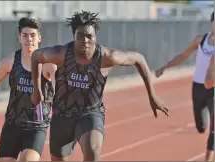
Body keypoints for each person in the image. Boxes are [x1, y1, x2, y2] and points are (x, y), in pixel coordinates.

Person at [31, 11, 169, 161]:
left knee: (92, 151)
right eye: (80, 36)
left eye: (89, 36)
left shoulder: (107, 57)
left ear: (95, 37)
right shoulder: (61, 54)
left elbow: (139, 59)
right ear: (73, 36)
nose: (85, 40)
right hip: (62, 115)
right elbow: (36, 56)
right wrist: (37, 90)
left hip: (90, 113)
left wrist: (152, 95)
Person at [0, 17, 56, 161]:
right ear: (19, 38)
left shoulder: (48, 64)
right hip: (12, 124)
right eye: (25, 36)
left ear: (39, 38)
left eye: (33, 35)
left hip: (36, 126)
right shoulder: (10, 62)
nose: (29, 39)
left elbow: (60, 88)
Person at [155, 12, 214, 162]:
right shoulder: (201, 40)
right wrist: (165, 67)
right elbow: (183, 56)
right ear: (212, 23)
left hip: (213, 88)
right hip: (198, 87)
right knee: (201, 127)